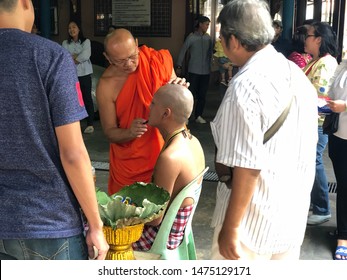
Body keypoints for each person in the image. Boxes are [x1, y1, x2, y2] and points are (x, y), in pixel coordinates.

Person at [0, 0, 108, 260]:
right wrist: (95, 225)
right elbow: (72, 153)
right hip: (48, 222)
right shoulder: (49, 55)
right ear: (26, 3)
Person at [210, 0, 318, 260]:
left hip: (249, 228)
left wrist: (231, 228)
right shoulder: (296, 74)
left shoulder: (244, 86)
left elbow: (247, 167)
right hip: (289, 217)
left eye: (222, 37)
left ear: (233, 40)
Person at [96, 28, 187, 195]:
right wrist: (130, 132)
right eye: (120, 61)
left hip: (164, 154)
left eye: (132, 56)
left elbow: (179, 109)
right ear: (107, 58)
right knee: (128, 216)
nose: (129, 64)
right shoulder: (106, 85)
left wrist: (179, 89)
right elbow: (109, 132)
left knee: (162, 213)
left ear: (137, 44)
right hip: (129, 163)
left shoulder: (156, 62)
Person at [133, 84, 205, 251]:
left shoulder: (171, 157)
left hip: (161, 236)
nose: (148, 107)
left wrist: (124, 212)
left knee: (97, 234)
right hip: (178, 231)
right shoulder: (193, 141)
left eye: (153, 104)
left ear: (166, 113)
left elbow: (155, 218)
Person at [303, 21, 338, 225]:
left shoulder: (325, 63)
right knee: (311, 163)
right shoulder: (317, 61)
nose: (304, 40)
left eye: (308, 36)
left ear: (318, 39)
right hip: (312, 121)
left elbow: (322, 101)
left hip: (316, 122)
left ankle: (322, 208)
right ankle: (316, 203)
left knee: (314, 163)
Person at [176, 15, 213, 124]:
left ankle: (198, 116)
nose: (207, 27)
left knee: (202, 95)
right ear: (200, 24)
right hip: (193, 71)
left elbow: (211, 53)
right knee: (190, 95)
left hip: (205, 71)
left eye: (208, 25)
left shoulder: (208, 38)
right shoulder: (191, 37)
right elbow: (183, 51)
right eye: (206, 24)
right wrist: (179, 65)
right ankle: (186, 117)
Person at [326, 65, 347, 260]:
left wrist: (345, 106)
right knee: (342, 185)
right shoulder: (343, 65)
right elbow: (333, 90)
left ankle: (344, 238)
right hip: (338, 133)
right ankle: (342, 228)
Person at [62, 20, 95, 134]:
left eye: (74, 27)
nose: (72, 30)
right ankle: (77, 124)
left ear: (79, 29)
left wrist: (74, 58)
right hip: (72, 75)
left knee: (87, 98)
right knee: (74, 100)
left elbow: (86, 55)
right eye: (70, 28)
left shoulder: (86, 42)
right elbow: (64, 57)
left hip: (85, 74)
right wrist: (76, 57)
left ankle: (90, 123)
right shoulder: (65, 43)